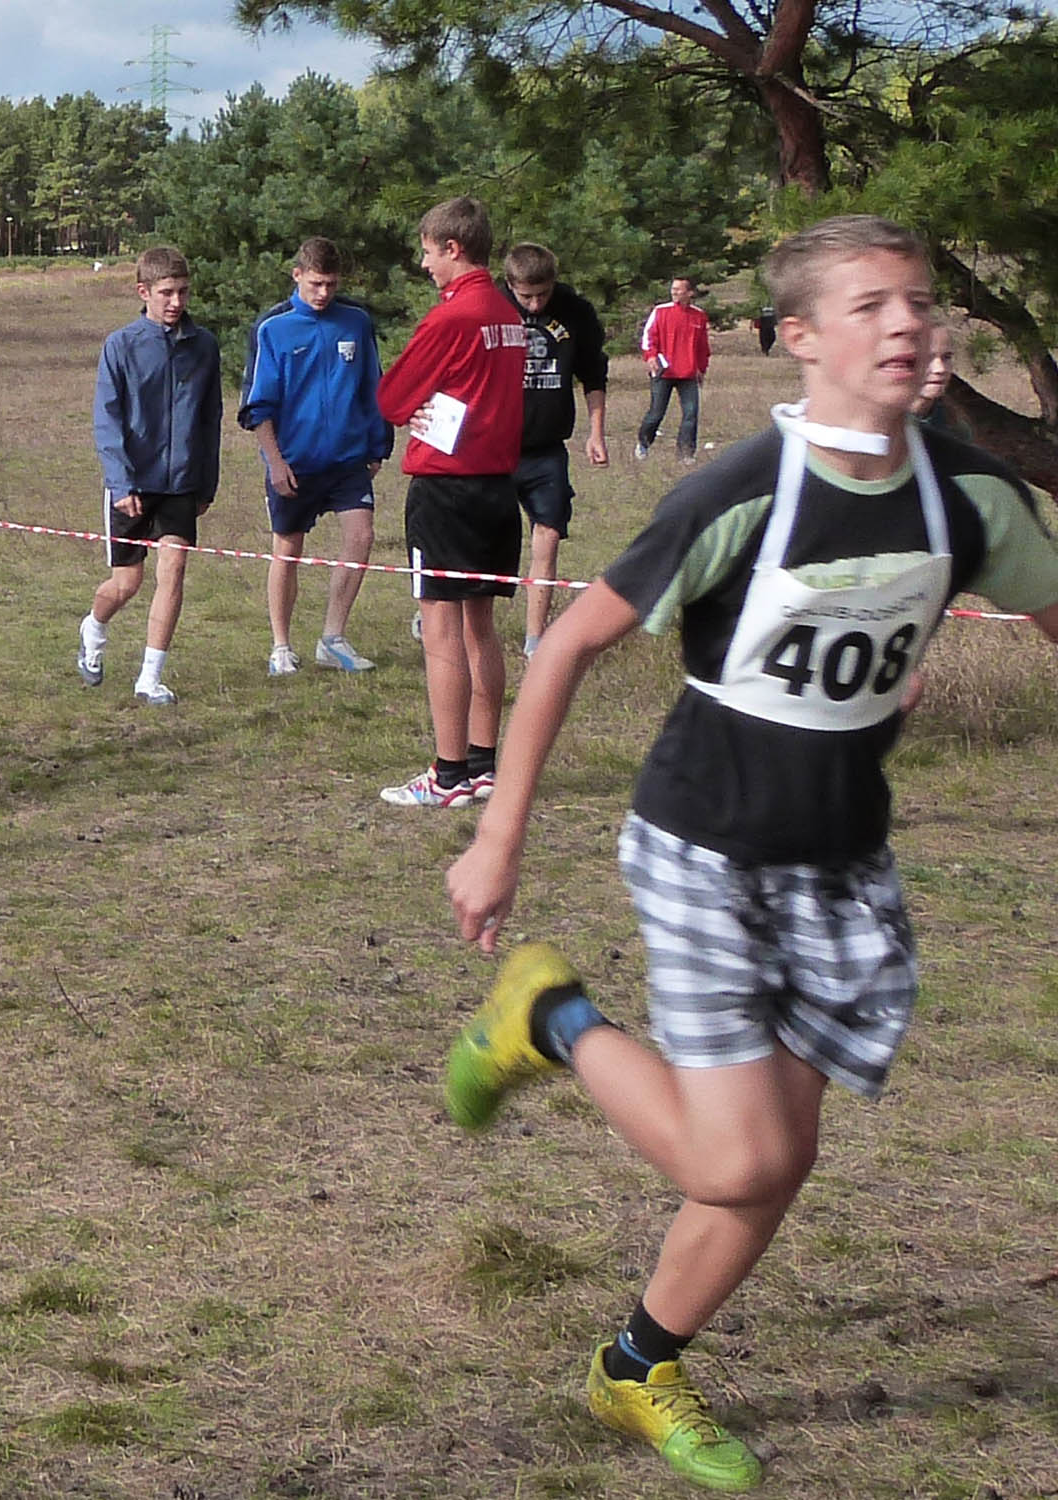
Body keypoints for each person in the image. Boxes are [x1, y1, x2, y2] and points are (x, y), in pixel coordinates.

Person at [441, 215, 1058, 1493]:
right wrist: (497, 836)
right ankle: (549, 1014)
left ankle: (633, 1367)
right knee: (738, 1158)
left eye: (919, 302)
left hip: (840, 862)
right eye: (872, 305)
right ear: (799, 340)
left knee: (778, 1160)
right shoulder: (736, 494)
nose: (906, 324)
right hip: (702, 845)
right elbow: (561, 649)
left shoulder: (968, 495)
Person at [374, 198, 528, 808]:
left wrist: (415, 404)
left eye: (429, 252)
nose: (424, 263)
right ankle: (486, 763)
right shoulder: (507, 313)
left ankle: (448, 773)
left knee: (441, 634)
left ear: (453, 249)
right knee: (480, 629)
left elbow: (391, 398)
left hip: (446, 490)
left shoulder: (451, 318)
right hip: (498, 490)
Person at [77, 245, 222, 706]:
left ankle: (150, 677)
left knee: (173, 570)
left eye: (182, 292)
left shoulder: (204, 347)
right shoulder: (121, 345)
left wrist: (206, 483)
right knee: (127, 584)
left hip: (181, 483)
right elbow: (107, 418)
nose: (176, 302)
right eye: (166, 293)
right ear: (144, 292)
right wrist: (121, 483)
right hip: (133, 485)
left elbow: (210, 418)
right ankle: (94, 627)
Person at [239, 237, 390, 676]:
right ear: (297, 276)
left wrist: (378, 446)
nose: (323, 293)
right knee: (288, 550)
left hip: (348, 460)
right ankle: (281, 645)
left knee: (361, 537)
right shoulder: (273, 327)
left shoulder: (356, 322)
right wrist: (275, 461)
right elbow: (258, 405)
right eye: (316, 284)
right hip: (295, 463)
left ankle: (333, 637)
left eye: (331, 284)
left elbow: (372, 387)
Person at [501, 243, 610, 657]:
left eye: (542, 295)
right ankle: (445, 610)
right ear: (510, 284)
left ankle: (535, 639)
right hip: (494, 448)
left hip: (547, 449)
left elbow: (593, 375)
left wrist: (596, 432)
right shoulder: (490, 306)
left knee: (547, 535)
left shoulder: (576, 311)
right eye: (525, 296)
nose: (534, 304)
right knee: (484, 541)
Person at [636, 277, 711, 463]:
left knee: (691, 413)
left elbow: (703, 346)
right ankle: (643, 444)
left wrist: (701, 368)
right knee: (656, 413)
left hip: (688, 374)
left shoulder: (699, 316)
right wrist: (651, 356)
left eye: (679, 289)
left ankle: (686, 453)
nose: (675, 292)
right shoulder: (661, 311)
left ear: (690, 293)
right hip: (663, 372)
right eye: (673, 289)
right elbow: (648, 337)